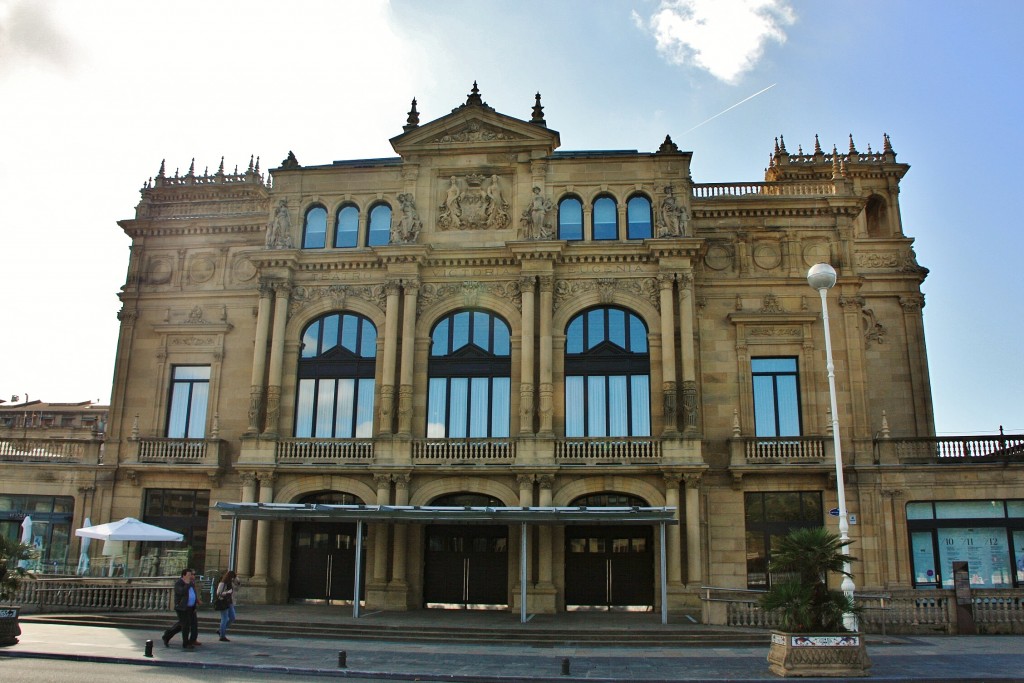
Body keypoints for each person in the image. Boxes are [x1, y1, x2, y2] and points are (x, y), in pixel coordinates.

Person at [162, 567, 201, 649]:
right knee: (185, 625)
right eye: (189, 575)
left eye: (191, 575)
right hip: (182, 608)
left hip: (191, 607)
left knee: (186, 624)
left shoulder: (191, 583)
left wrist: (196, 601)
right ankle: (185, 643)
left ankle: (167, 635)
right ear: (183, 575)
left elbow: (192, 593)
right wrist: (187, 584)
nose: (191, 576)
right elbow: (181, 592)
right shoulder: (179, 583)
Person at [215, 569, 240, 641]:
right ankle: (222, 636)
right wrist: (227, 592)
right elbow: (218, 593)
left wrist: (237, 581)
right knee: (225, 618)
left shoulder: (231, 583)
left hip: (229, 602)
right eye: (233, 577)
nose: (233, 579)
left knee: (232, 618)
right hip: (223, 602)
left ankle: (220, 630)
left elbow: (237, 589)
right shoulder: (223, 583)